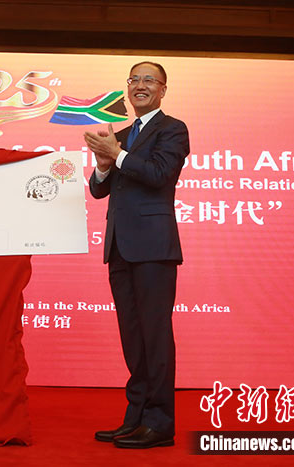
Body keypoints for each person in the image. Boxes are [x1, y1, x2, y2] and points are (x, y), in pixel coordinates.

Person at [84, 62, 189, 448]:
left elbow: (161, 174)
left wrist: (118, 155)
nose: (139, 85)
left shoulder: (172, 129)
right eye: (134, 80)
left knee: (155, 336)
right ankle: (136, 417)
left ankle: (160, 423)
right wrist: (103, 165)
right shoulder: (121, 135)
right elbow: (100, 190)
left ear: (162, 90)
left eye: (148, 80)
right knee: (133, 336)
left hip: (154, 248)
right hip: (119, 247)